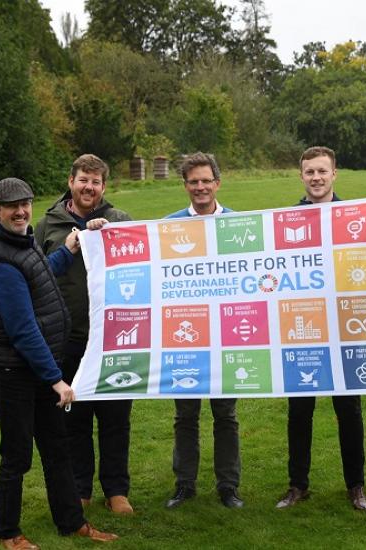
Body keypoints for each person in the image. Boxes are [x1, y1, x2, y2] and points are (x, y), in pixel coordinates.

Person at [0, 178, 117, 549]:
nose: (20, 211)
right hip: (12, 371)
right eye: (12, 206)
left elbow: (39, 275)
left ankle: (72, 523)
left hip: (34, 368)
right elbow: (22, 330)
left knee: (56, 446)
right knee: (17, 454)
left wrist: (67, 249)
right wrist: (56, 379)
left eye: (25, 204)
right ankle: (7, 531)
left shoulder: (23, 242)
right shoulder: (0, 261)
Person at [34, 154, 135, 515]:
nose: (88, 187)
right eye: (83, 180)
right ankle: (80, 489)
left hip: (115, 337)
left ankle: (116, 490)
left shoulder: (120, 220)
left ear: (103, 187)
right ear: (70, 182)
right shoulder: (47, 225)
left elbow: (141, 265)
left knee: (115, 418)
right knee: (73, 417)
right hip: (68, 337)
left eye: (95, 182)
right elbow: (35, 275)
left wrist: (112, 237)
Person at [275, 146, 366, 511]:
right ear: (301, 176)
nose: (316, 177)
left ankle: (356, 487)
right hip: (302, 327)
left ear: (335, 175)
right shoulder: (286, 219)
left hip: (345, 327)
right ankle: (298, 485)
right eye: (309, 172)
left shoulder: (355, 216)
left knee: (349, 410)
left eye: (322, 171)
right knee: (300, 411)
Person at [165, 152, 243, 509]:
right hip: (186, 337)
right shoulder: (169, 227)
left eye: (205, 180)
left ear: (217, 184)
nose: (200, 187)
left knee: (225, 415)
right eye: (193, 181)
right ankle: (185, 485)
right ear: (185, 186)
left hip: (228, 336)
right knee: (186, 416)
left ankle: (228, 486)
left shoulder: (240, 225)